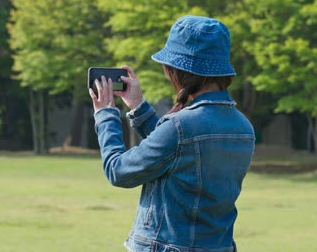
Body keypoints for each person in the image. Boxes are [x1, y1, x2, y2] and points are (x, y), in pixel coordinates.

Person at [89, 15, 255, 252]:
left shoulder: (180, 127)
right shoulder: (243, 127)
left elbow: (119, 171)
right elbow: (177, 152)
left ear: (178, 71)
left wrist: (106, 115)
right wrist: (138, 106)